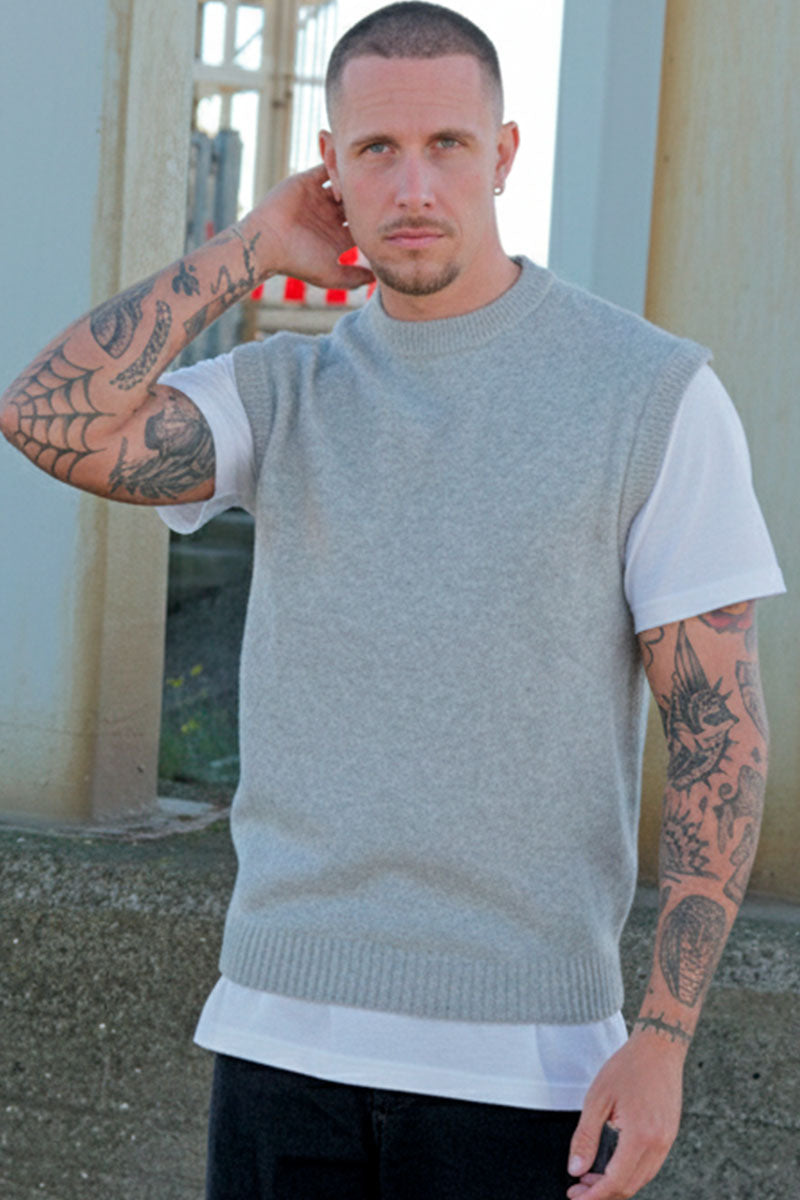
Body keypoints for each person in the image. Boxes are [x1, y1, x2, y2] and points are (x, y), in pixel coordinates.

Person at [0, 4, 785, 1197]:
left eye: (446, 145)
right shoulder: (284, 394)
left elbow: (717, 736)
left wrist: (664, 1037)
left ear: (503, 153)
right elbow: (45, 417)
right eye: (375, 150)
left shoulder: (649, 395)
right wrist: (247, 247)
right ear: (330, 168)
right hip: (278, 1040)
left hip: (524, 1068)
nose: (412, 186)